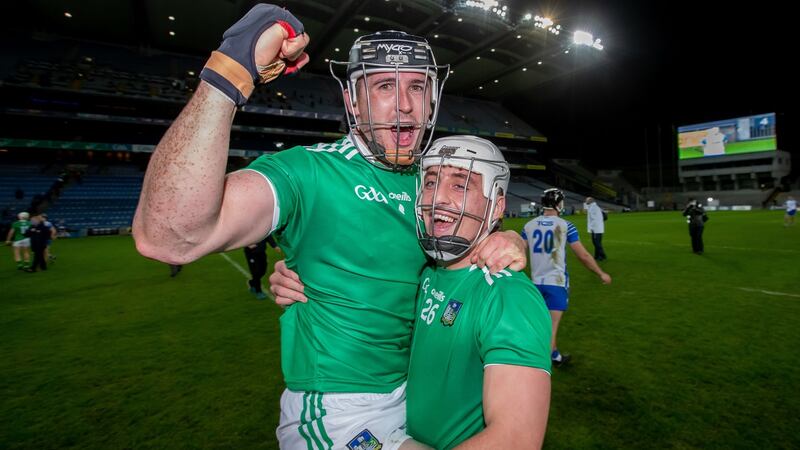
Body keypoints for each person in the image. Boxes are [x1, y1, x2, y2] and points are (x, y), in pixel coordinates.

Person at [132, 5, 526, 448]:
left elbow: (471, 245)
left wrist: (508, 237)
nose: (405, 104)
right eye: (383, 87)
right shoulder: (308, 172)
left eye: (418, 85)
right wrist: (228, 76)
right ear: (351, 100)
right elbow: (167, 234)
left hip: (414, 397)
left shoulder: (431, 182)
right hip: (340, 414)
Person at [395, 136, 551, 449]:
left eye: (460, 185)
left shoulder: (507, 294)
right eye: (430, 182)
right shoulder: (423, 270)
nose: (437, 198)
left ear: (498, 204)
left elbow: (516, 439)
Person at [524, 189, 612, 367]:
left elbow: (519, 250)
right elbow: (584, 256)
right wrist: (600, 273)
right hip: (556, 283)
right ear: (558, 203)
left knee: (541, 325)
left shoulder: (529, 225)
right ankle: (542, 365)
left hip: (535, 283)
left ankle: (554, 356)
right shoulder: (565, 225)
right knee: (551, 330)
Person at [244, 235, 279, 299]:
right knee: (255, 272)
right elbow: (241, 236)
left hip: (261, 252)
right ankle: (258, 291)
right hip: (251, 253)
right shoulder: (247, 227)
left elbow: (268, 235)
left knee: (263, 270)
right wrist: (247, 243)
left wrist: (274, 246)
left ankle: (252, 282)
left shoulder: (262, 226)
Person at [585, 196, 607, 261]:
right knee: (596, 242)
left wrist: (592, 228)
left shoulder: (593, 208)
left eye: (587, 200)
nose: (586, 201)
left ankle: (602, 255)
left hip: (595, 229)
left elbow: (594, 219)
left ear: (590, 201)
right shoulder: (594, 207)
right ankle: (597, 255)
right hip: (597, 228)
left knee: (597, 243)